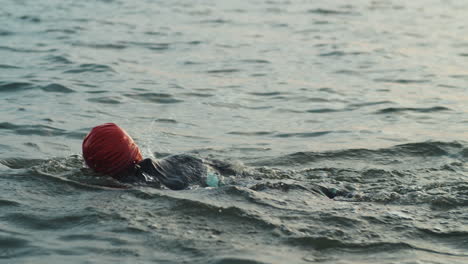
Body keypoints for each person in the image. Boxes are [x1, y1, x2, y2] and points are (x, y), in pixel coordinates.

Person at [82, 123, 353, 198]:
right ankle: (335, 192)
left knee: (259, 190)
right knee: (265, 183)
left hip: (198, 187)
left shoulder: (130, 185)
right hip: (197, 165)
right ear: (134, 150)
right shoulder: (168, 159)